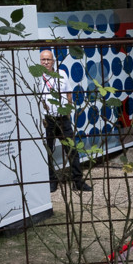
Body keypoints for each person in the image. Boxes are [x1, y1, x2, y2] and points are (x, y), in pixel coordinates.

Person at [37, 48, 91, 193]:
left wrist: (67, 112)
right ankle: (52, 181)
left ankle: (77, 181)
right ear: (40, 62)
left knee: (72, 149)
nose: (46, 62)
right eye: (43, 59)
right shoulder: (37, 78)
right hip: (47, 119)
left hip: (62, 118)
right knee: (48, 151)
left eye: (48, 59)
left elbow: (69, 93)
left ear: (53, 61)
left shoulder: (61, 74)